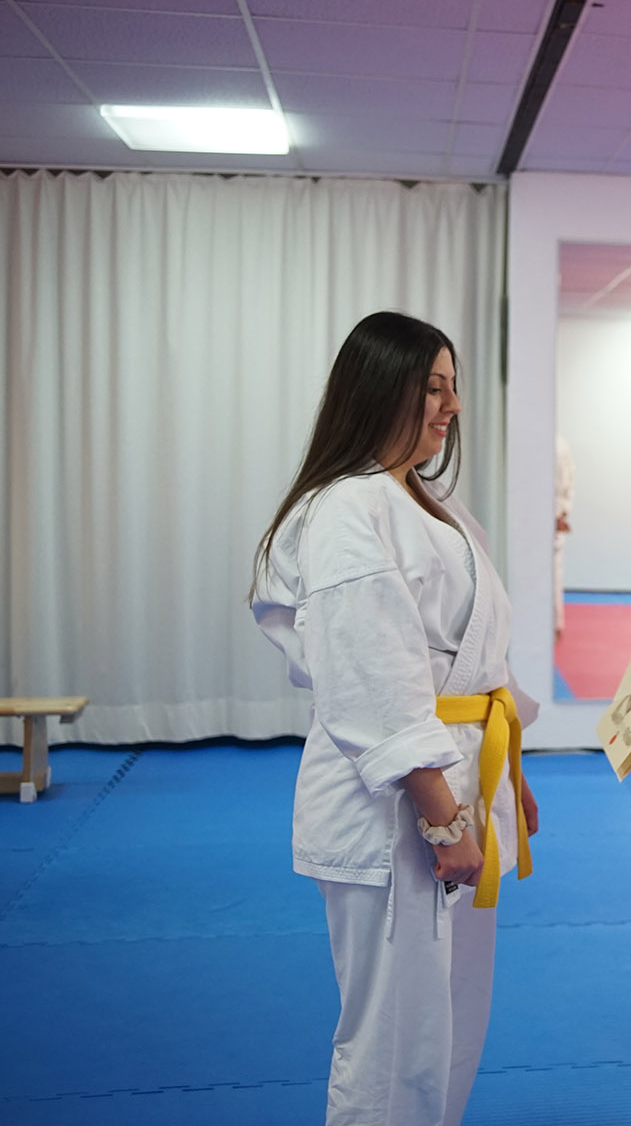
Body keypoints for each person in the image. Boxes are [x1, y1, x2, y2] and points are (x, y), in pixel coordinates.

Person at [251, 311, 539, 1126]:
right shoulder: (349, 508)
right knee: (393, 1036)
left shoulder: (428, 501)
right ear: (382, 390)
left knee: (450, 1018)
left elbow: (481, 653)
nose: (452, 406)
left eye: (453, 387)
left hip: (459, 773)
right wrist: (443, 817)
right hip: (395, 800)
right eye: (433, 388)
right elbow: (370, 673)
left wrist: (510, 777)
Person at [554, 433, 575, 641]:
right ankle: (554, 625)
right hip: (545, 518)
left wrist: (561, 513)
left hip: (552, 519)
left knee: (554, 573)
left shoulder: (558, 446)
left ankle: (555, 625)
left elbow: (567, 483)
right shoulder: (559, 444)